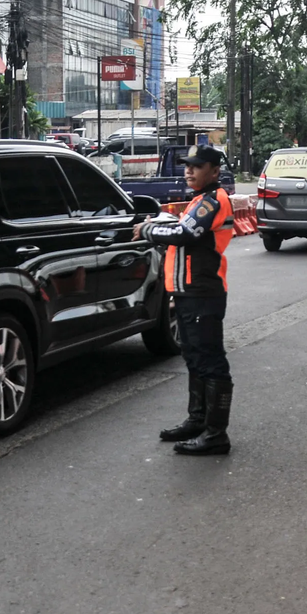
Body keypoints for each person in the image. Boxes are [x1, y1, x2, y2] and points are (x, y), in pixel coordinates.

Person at [132, 144, 234, 456]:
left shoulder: (213, 201)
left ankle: (216, 434)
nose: (189, 170)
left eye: (197, 166)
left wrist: (148, 230)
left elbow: (185, 235)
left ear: (214, 171)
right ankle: (198, 420)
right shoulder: (199, 200)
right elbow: (180, 229)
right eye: (188, 165)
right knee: (193, 357)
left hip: (204, 294)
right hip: (189, 293)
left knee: (210, 361)